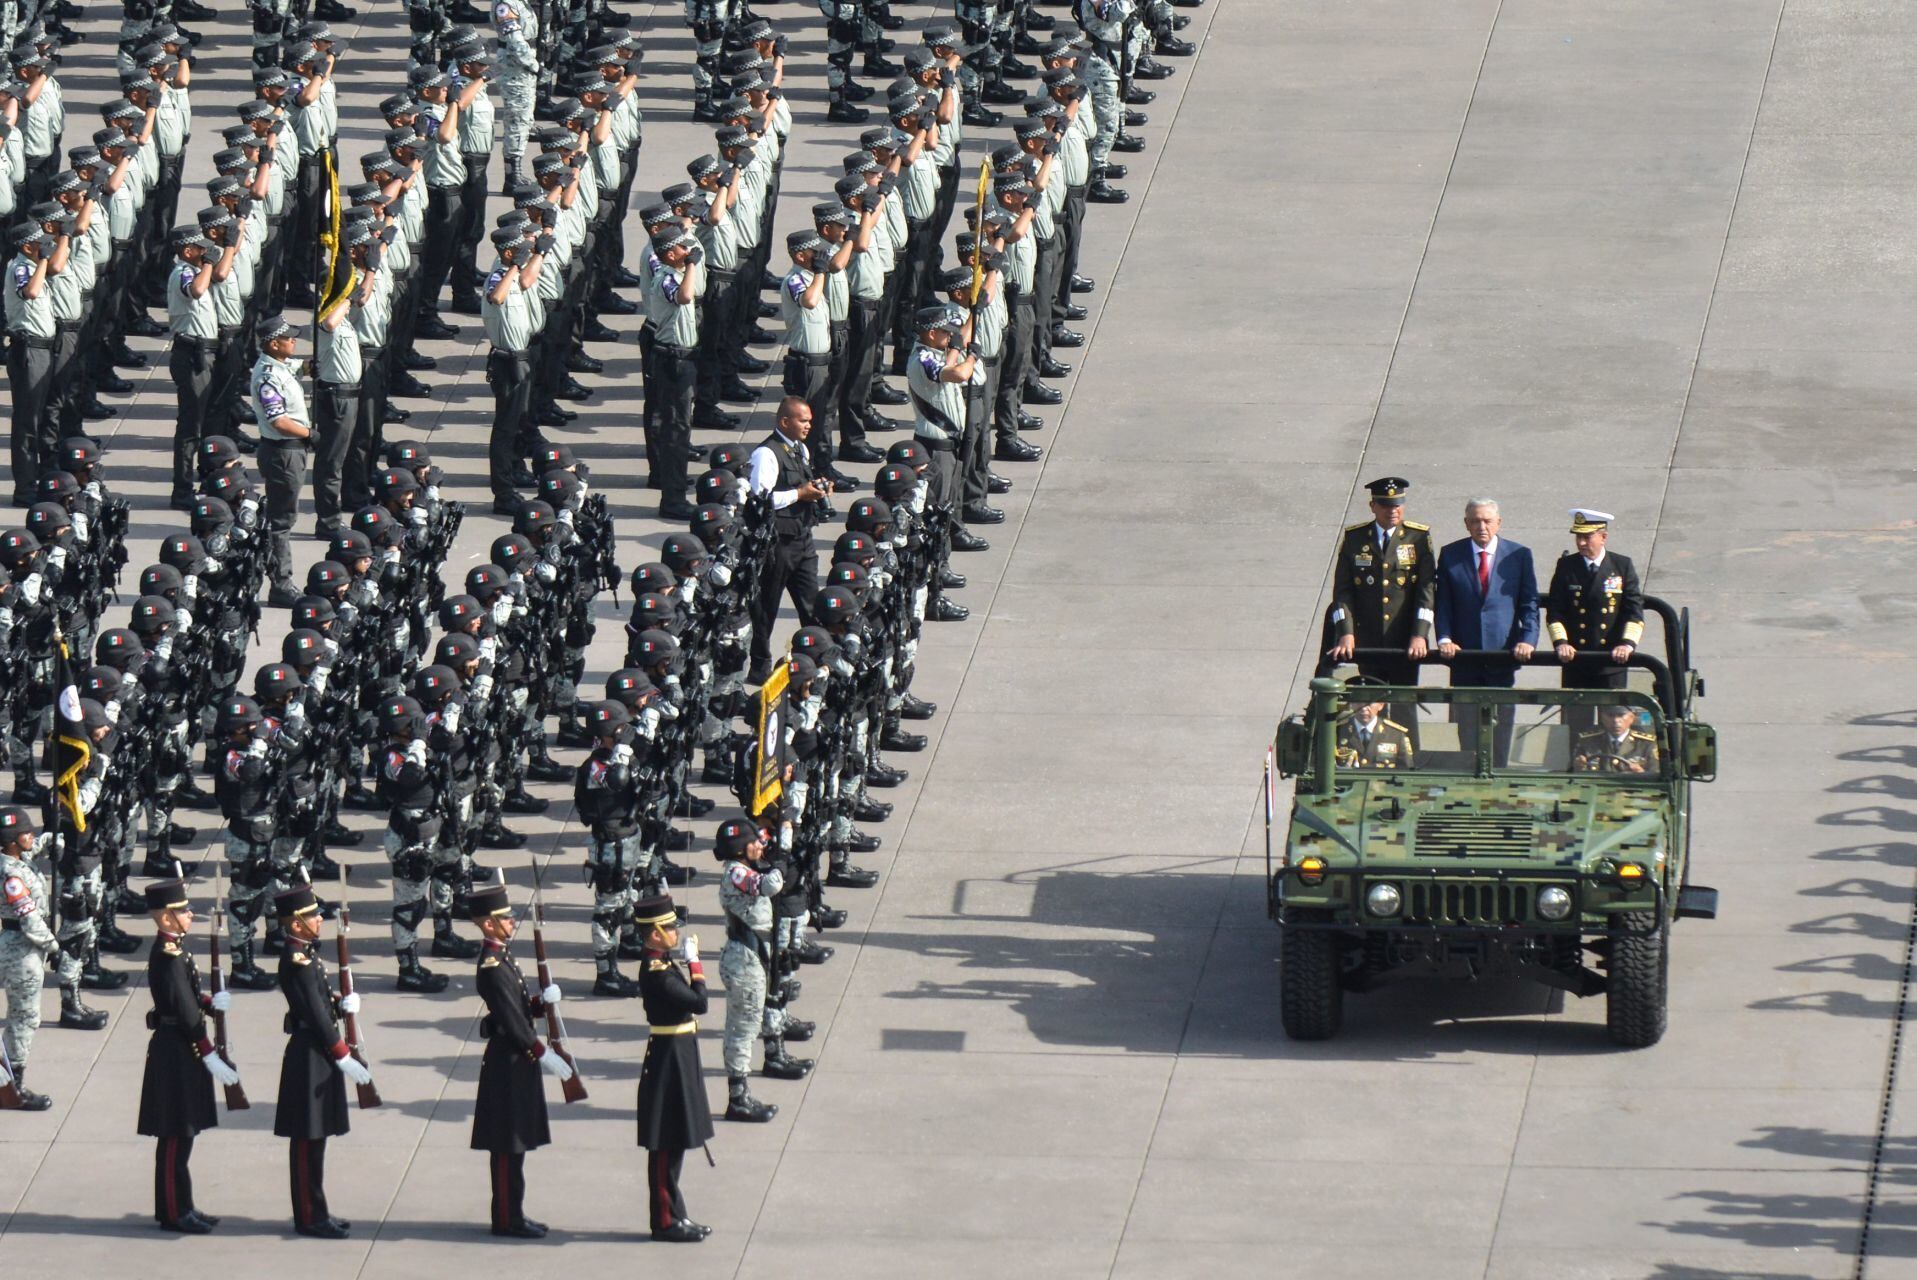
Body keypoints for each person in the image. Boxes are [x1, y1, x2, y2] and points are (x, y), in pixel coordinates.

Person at [138, 877, 242, 1234]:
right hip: (176, 1049)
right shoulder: (167, 956)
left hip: (182, 1047)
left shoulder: (177, 949)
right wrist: (209, 1052)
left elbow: (189, 996)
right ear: (166, 918)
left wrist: (210, 1003)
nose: (190, 915)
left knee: (185, 1134)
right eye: (183, 910)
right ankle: (172, 1211)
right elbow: (182, 1009)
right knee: (174, 1135)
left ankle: (183, 1204)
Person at [467, 880, 571, 1238]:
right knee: (506, 1144)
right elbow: (512, 1022)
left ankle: (515, 1211)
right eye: (506, 918)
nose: (512, 922)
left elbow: (520, 1008)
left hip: (516, 1058)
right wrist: (543, 1053)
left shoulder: (504, 957)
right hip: (507, 1061)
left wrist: (541, 1003)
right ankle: (506, 1217)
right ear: (488, 924)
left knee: (516, 1144)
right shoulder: (493, 966)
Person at [273, 883, 372, 1239]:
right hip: (309, 1054)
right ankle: (310, 1216)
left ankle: (317, 1210)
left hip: (317, 1052)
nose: (319, 920)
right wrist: (342, 1053)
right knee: (307, 1141)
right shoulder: (296, 961)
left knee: (316, 1141)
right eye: (312, 916)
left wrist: (339, 1002)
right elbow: (313, 1014)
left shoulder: (307, 955)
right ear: (296, 924)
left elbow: (320, 1000)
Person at [716, 816, 808, 1125]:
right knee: (743, 1027)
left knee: (770, 1000)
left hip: (757, 953)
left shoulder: (746, 866)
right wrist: (779, 864)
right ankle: (738, 1098)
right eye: (754, 842)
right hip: (744, 959)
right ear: (741, 849)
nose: (760, 845)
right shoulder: (736, 872)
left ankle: (774, 1053)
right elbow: (769, 885)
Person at [633, 892, 714, 1243]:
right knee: (665, 1143)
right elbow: (699, 1003)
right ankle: (665, 1220)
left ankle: (676, 1213)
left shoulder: (663, 962)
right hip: (668, 1059)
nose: (675, 933)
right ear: (653, 933)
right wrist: (696, 966)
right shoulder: (657, 972)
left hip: (678, 1054)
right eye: (669, 928)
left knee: (677, 1140)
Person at [1326, 476, 1435, 736]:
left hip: (1405, 642)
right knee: (1369, 703)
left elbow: (1426, 592)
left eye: (1398, 504)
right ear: (1373, 506)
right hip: (1368, 639)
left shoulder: (1418, 538)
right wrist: (1346, 632)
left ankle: (1408, 760)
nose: (1393, 510)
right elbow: (1343, 592)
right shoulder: (1355, 539)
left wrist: (1420, 634)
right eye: (1386, 505)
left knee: (1404, 705)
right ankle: (1372, 759)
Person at [1434, 498, 1538, 763]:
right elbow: (1443, 603)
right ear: (1466, 524)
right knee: (1467, 724)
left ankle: (1499, 772)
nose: (1482, 526)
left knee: (1501, 723)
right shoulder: (1450, 554)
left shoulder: (1519, 555)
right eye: (1476, 521)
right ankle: (1468, 776)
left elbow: (1529, 604)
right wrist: (1444, 638)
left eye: (1487, 521)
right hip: (1463, 656)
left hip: (1502, 656)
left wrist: (1528, 639)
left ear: (1498, 523)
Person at [745, 396, 831, 680]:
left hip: (802, 540)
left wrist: (817, 489)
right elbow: (759, 499)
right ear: (784, 421)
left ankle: (816, 661)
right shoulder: (766, 454)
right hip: (777, 545)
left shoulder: (800, 450)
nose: (809, 425)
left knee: (812, 605)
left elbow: (802, 482)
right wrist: (799, 494)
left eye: (809, 420)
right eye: (803, 420)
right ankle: (760, 667)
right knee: (766, 607)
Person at [1545, 507, 1645, 735]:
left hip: (1610, 663)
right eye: (1578, 537)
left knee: (1614, 723)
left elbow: (1634, 612)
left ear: (1603, 537)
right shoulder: (1567, 566)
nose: (1581, 543)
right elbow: (1555, 612)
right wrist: (1561, 643)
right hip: (1577, 661)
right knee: (1576, 726)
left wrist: (1627, 644)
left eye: (1587, 537)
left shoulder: (1621, 566)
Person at [250, 314, 312, 606]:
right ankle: (281, 583)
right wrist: (310, 434)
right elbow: (279, 421)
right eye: (289, 338)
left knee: (284, 516)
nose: (294, 342)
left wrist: (315, 363)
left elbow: (298, 368)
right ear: (274, 344)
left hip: (290, 450)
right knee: (282, 521)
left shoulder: (280, 365)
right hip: (283, 451)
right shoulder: (267, 377)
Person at [0, 805, 54, 1110]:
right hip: (21, 949)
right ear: (11, 840)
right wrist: (58, 949)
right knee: (24, 1019)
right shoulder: (10, 874)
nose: (30, 836)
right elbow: (29, 920)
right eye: (25, 832)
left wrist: (54, 838)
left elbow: (35, 850)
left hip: (25, 947)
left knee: (24, 1018)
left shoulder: (16, 859)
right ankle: (11, 1088)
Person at [1573, 705, 1661, 774]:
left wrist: (1641, 773)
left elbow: (1657, 775)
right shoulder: (1588, 741)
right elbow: (1570, 773)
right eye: (1610, 715)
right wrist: (1578, 766)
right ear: (1602, 718)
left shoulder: (1646, 743)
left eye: (1621, 715)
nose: (1616, 720)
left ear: (1632, 718)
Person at [1335, 696, 1413, 770]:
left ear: (1381, 705)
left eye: (1369, 703)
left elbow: (1407, 770)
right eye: (1359, 702)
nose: (1364, 708)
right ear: (1351, 704)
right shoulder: (1337, 732)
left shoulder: (1396, 734)